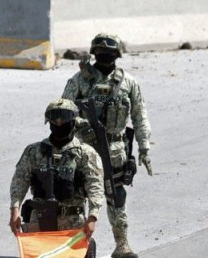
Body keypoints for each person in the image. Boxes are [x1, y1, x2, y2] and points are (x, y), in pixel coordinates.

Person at [61, 33, 153, 258]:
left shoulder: (128, 82)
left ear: (117, 55)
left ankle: (122, 245)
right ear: (93, 54)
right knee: (76, 197)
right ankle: (77, 246)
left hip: (115, 151)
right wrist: (81, 124)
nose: (104, 57)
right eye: (100, 53)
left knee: (116, 196)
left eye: (109, 54)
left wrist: (144, 148)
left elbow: (139, 115)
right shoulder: (79, 80)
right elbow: (63, 111)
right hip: (84, 150)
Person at [9, 99, 104, 253]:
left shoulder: (85, 154)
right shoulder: (34, 151)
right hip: (39, 220)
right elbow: (20, 181)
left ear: (73, 121)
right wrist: (15, 209)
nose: (59, 123)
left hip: (72, 224)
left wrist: (92, 217)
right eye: (55, 119)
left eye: (64, 119)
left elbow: (95, 186)